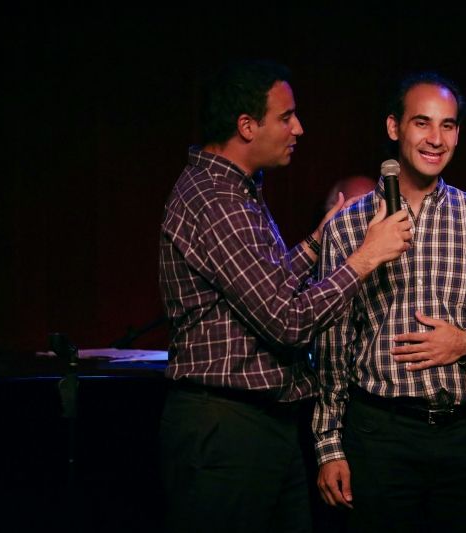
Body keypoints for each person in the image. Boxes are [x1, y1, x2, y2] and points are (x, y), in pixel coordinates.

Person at [157, 60, 412, 533]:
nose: (298, 127)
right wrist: (364, 259)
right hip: (228, 430)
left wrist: (319, 239)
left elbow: (263, 286)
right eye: (286, 116)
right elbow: (285, 320)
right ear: (247, 126)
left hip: (259, 427)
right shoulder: (216, 199)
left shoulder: (236, 190)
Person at [312, 72, 466, 532]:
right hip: (381, 435)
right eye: (422, 123)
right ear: (394, 128)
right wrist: (329, 446)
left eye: (448, 126)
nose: (436, 139)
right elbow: (333, 342)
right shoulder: (348, 227)